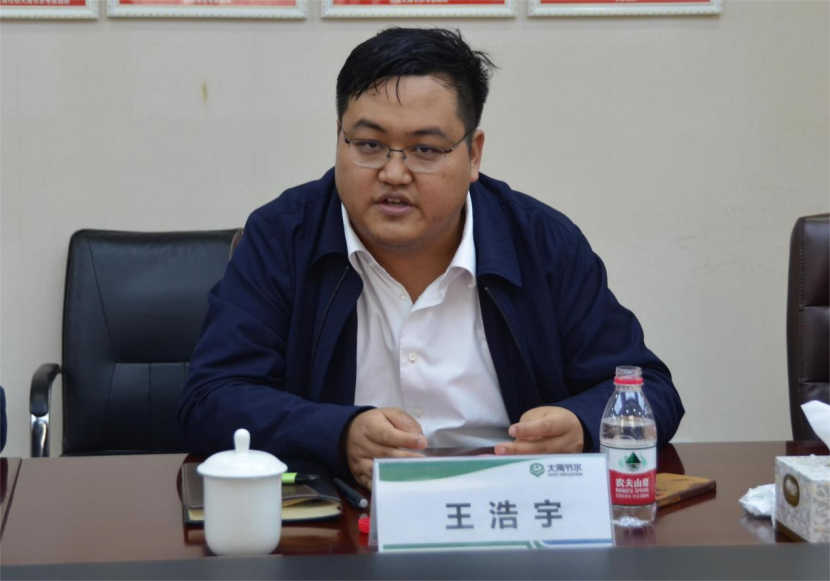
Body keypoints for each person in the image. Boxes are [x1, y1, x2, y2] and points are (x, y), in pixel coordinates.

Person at [179, 28, 684, 489]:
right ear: (339, 138)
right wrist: (338, 433)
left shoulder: (542, 243)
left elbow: (650, 391)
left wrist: (581, 426)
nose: (393, 173)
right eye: (369, 144)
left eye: (424, 150)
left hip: (509, 512)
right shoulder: (282, 238)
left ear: (474, 155)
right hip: (346, 521)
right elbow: (211, 398)